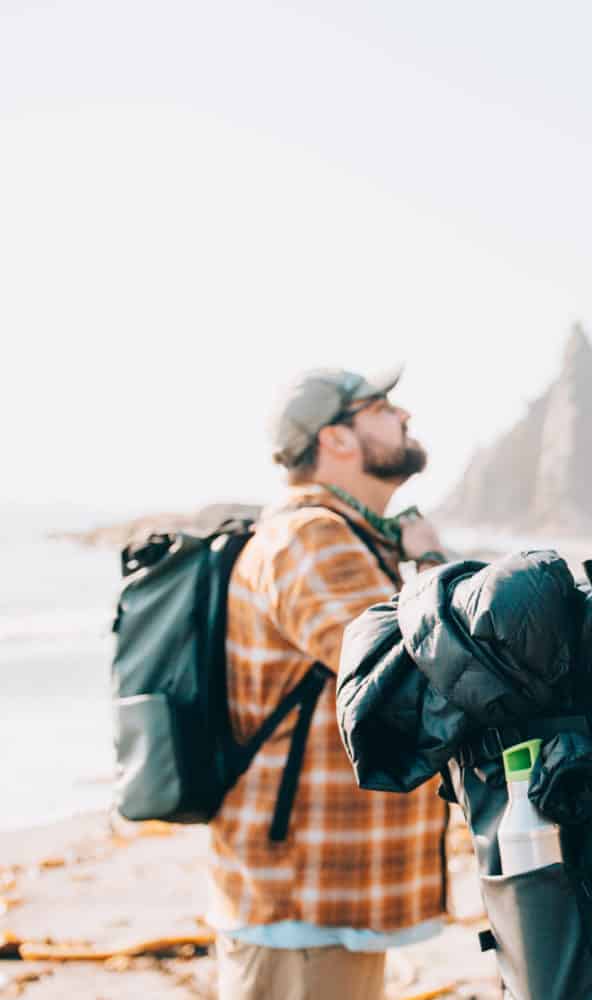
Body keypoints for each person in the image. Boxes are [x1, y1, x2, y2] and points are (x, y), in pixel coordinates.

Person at [209, 366, 452, 1000]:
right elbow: (411, 678)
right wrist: (428, 563)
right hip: (301, 896)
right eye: (382, 408)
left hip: (322, 893)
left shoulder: (341, 536)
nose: (404, 418)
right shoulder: (313, 538)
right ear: (336, 439)